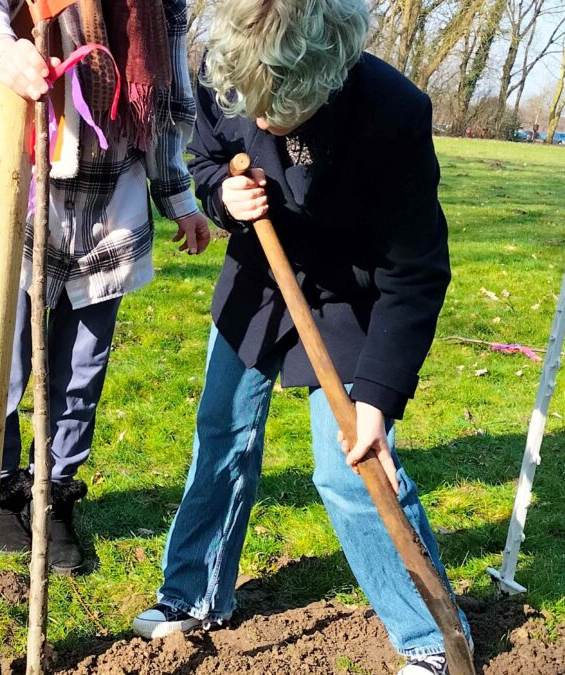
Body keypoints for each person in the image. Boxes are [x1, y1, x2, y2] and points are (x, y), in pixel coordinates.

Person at [131, 0, 472, 672]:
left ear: (323, 78)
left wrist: (375, 395)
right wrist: (223, 202)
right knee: (222, 432)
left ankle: (432, 635)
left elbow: (416, 270)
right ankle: (194, 593)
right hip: (261, 278)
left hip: (353, 295)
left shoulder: (392, 113)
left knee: (348, 469)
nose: (257, 121)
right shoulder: (226, 63)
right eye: (248, 104)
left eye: (275, 107)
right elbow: (206, 159)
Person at [0, 0, 210, 575]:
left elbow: (166, 99)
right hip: (20, 188)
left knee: (81, 368)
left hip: (110, 202)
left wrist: (179, 197)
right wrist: (3, 51)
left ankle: (54, 496)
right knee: (2, 358)